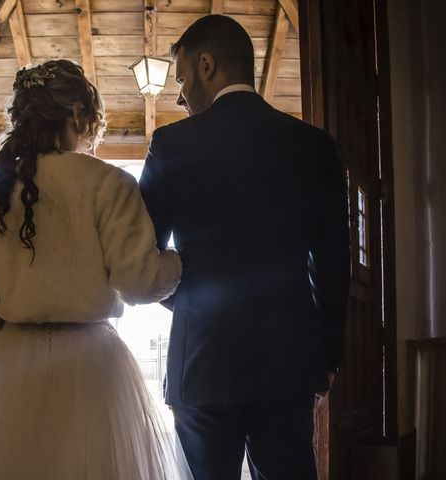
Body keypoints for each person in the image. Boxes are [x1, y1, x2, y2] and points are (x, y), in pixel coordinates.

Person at [0, 60, 192, 480]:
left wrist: (16, 341)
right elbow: (140, 283)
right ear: (80, 116)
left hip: (12, 368)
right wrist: (178, 262)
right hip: (94, 366)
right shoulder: (108, 183)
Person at [139, 15, 351, 480]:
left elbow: (143, 259)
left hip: (203, 363)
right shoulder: (312, 146)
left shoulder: (172, 145)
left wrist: (191, 302)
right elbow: (334, 261)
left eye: (182, 79)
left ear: (207, 65)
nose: (179, 95)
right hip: (288, 362)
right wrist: (327, 353)